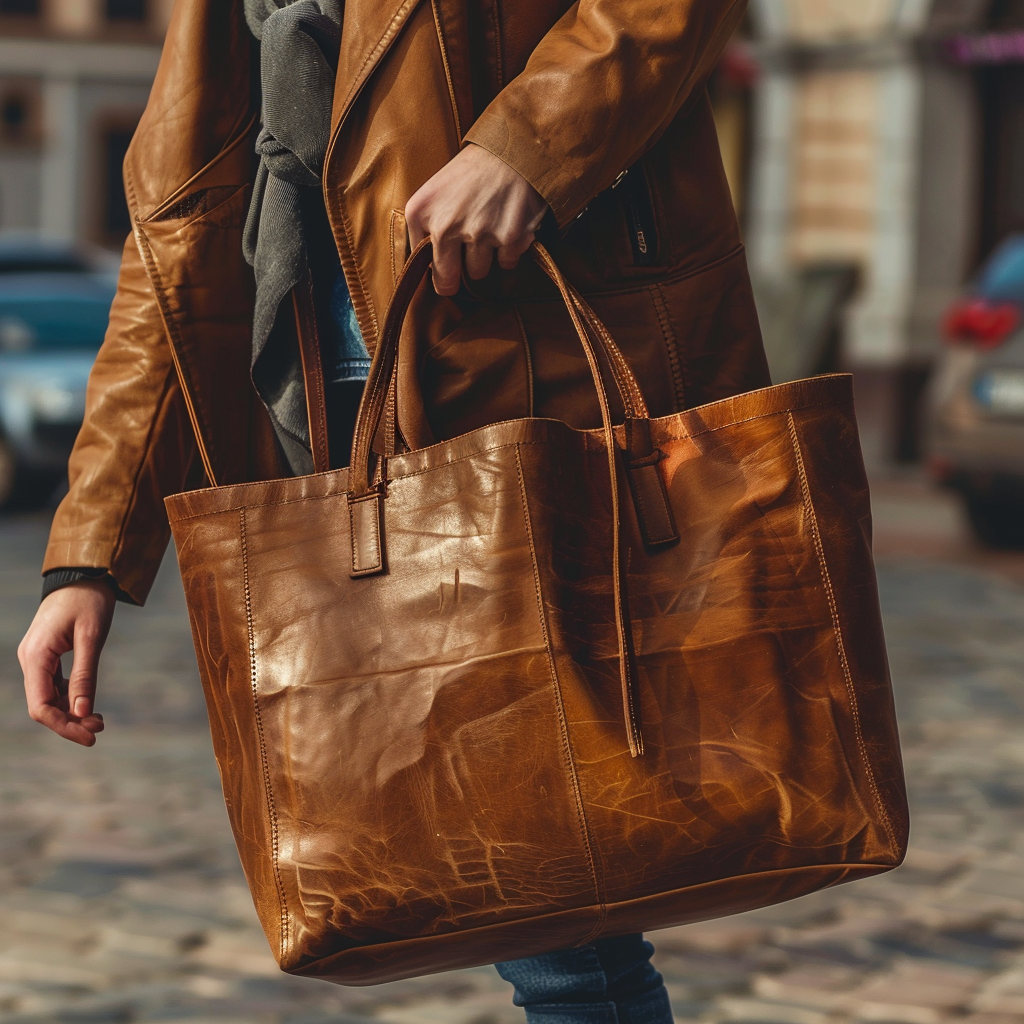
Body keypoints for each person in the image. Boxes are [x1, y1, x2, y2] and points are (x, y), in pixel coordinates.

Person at [18, 0, 770, 1020]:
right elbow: (178, 237)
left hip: (525, 375)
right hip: (326, 418)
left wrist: (528, 145)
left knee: (550, 901)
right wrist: (90, 554)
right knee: (526, 893)